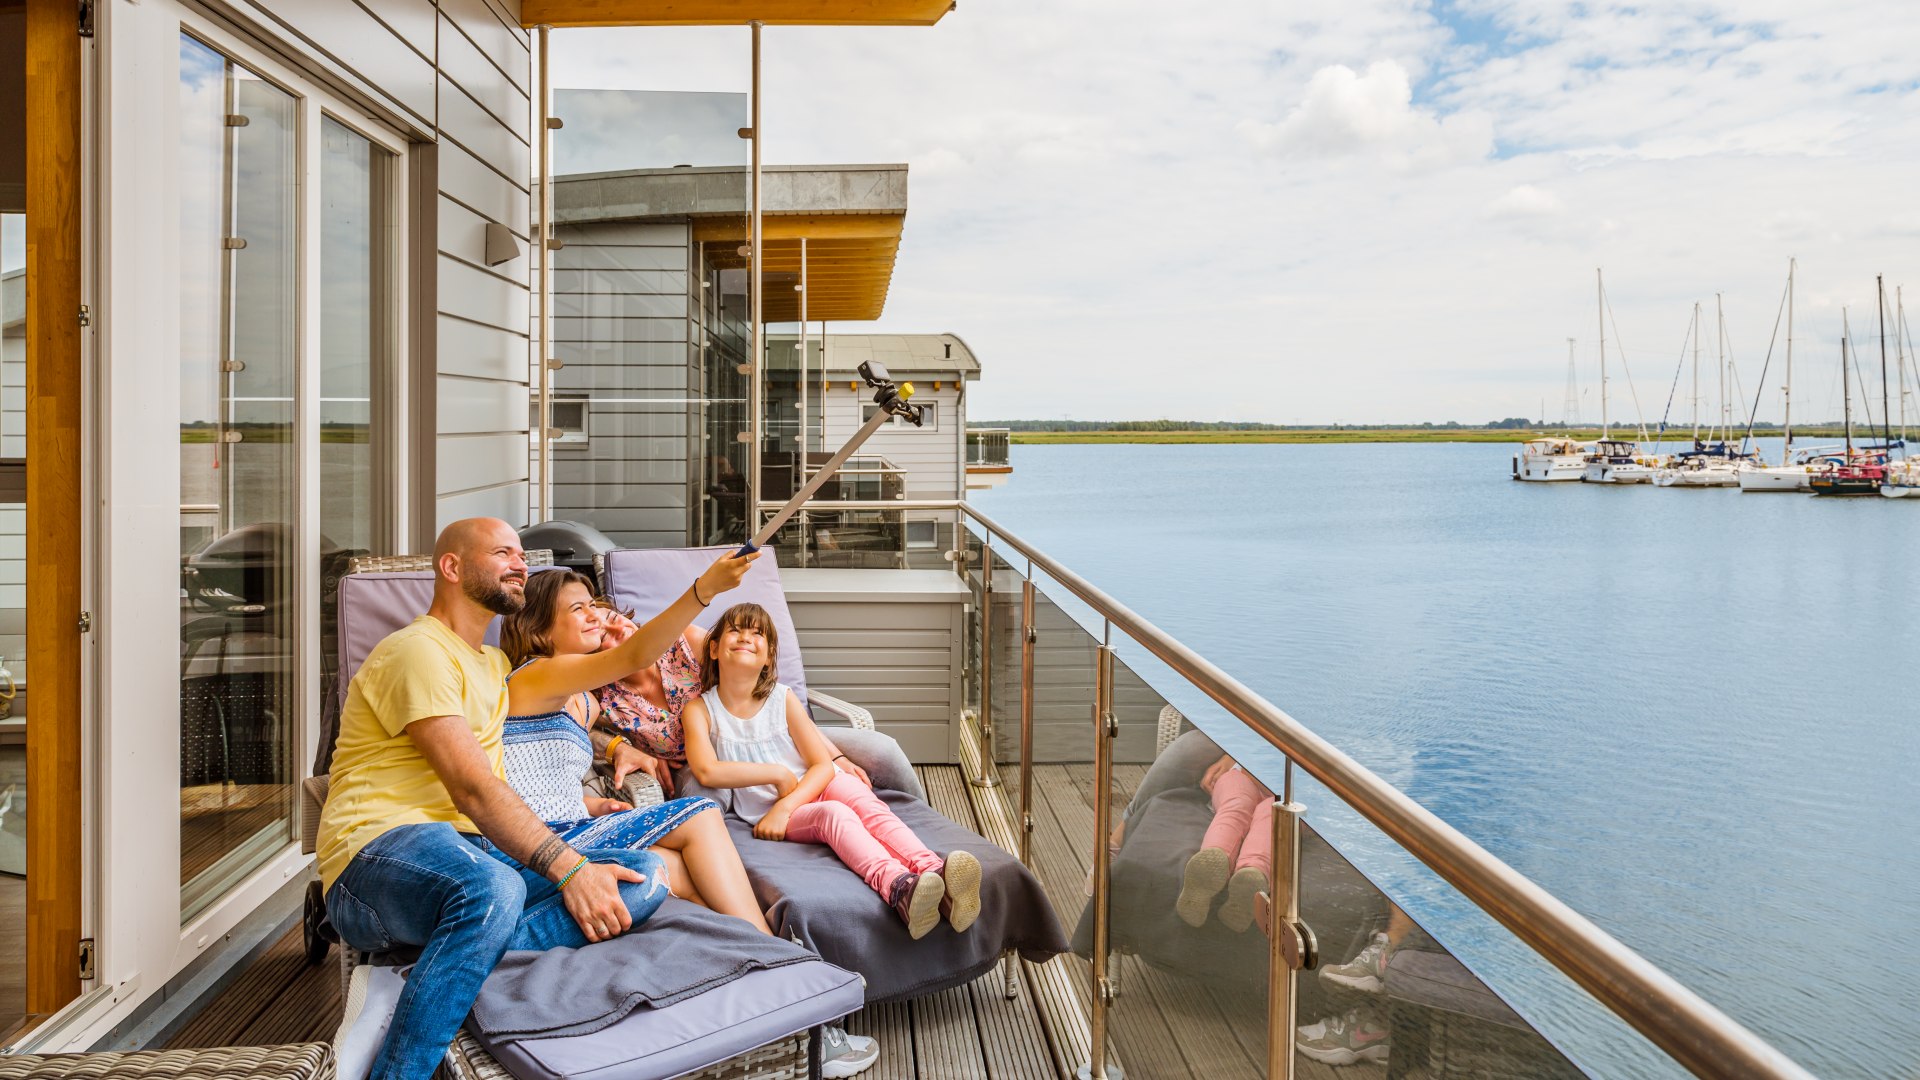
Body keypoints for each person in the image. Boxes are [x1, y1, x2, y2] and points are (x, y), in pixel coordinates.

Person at [315, 519, 667, 1080]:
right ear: (452, 567)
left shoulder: (493, 666)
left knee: (643, 876)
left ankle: (428, 975)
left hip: (469, 855)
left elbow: (565, 704)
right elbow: (474, 788)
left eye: (522, 555)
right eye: (503, 552)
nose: (521, 563)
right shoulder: (416, 651)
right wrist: (570, 869)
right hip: (376, 857)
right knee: (495, 887)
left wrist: (617, 742)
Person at [683, 602, 983, 941]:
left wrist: (788, 800)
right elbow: (707, 771)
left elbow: (822, 766)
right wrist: (776, 779)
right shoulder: (700, 710)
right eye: (735, 630)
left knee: (861, 799)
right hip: (770, 810)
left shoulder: (782, 699)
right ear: (713, 648)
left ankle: (935, 872)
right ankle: (898, 887)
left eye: (757, 633)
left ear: (768, 657)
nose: (745, 637)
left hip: (803, 792)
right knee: (834, 814)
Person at [496, 566, 769, 932]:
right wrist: (704, 590)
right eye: (578, 610)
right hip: (537, 842)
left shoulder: (587, 701)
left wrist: (597, 787)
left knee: (679, 870)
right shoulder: (535, 674)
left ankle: (759, 944)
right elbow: (634, 655)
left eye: (592, 604)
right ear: (540, 629)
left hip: (572, 825)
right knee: (700, 813)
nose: (595, 616)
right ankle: (770, 947)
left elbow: (538, 770)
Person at [589, 601, 925, 801]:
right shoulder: (602, 697)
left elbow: (765, 689)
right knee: (701, 802)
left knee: (883, 753)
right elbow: (574, 727)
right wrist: (620, 746)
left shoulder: (685, 640)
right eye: (602, 633)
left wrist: (833, 755)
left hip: (767, 733)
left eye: (613, 616)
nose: (617, 627)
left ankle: (927, 836)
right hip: (701, 766)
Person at [1173, 753, 1274, 932]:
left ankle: (1249, 881)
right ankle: (1213, 864)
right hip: (1245, 772)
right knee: (1239, 805)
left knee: (1270, 816)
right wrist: (1230, 756)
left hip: (1294, 795)